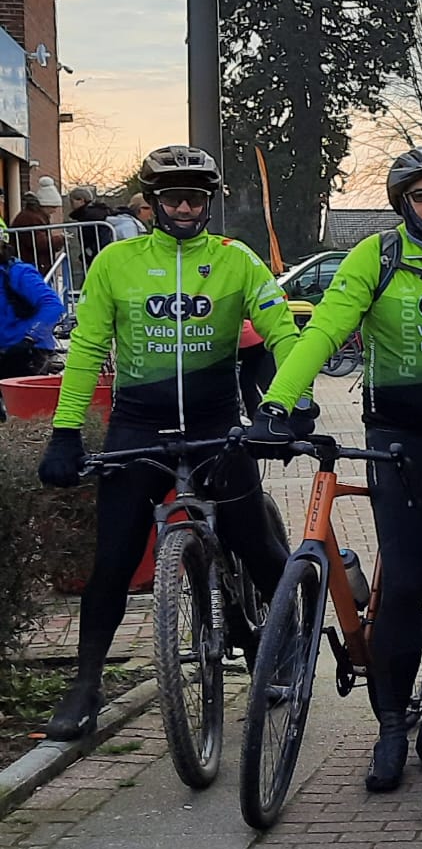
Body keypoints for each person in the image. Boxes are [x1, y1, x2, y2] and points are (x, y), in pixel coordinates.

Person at [36, 146, 300, 740]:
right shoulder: (117, 261)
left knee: (256, 544)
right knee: (112, 563)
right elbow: (87, 349)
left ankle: (283, 636)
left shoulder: (236, 259)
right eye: (173, 198)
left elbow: (282, 330)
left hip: (216, 427)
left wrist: (291, 402)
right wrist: (64, 431)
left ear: (209, 202)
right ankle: (86, 685)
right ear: (152, 204)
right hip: (137, 427)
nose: (185, 208)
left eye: (195, 198)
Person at [258, 145, 422, 791]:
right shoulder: (375, 257)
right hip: (398, 438)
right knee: (406, 584)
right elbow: (325, 331)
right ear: (402, 204)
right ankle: (389, 728)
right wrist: (279, 402)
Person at [0, 220, 63, 391]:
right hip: (6, 347)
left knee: (19, 404)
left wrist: (30, 338)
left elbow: (52, 305)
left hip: (23, 350)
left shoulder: (17, 272)